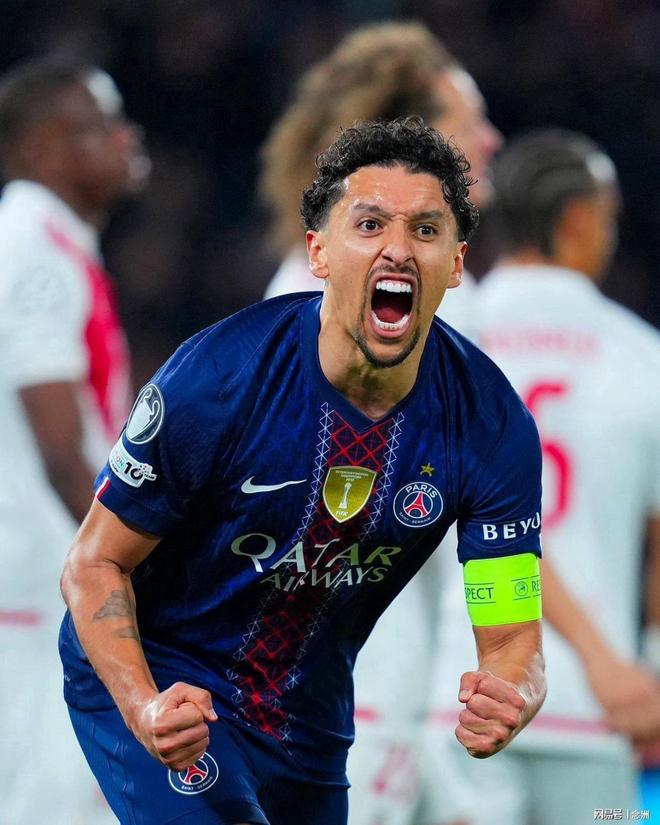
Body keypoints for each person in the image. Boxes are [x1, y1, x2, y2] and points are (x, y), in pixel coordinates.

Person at [60, 117, 546, 825]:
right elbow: (93, 562)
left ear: (456, 263)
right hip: (168, 676)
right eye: (370, 224)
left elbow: (510, 637)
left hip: (307, 719)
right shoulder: (220, 379)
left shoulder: (490, 422)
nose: (398, 249)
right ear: (318, 251)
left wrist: (511, 692)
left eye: (426, 230)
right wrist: (144, 704)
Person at [259, 23, 501, 823]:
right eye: (470, 121)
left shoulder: (325, 277)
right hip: (351, 672)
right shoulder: (380, 298)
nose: (491, 140)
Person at [421, 129, 660, 825]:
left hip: (459, 696)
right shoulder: (642, 356)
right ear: (579, 218)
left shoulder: (448, 337)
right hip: (596, 707)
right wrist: (643, 666)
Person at [0, 58, 148, 824]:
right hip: (28, 596)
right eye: (102, 124)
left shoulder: (51, 242)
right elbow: (61, 449)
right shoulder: (32, 246)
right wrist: (130, 557)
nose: (127, 137)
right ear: (45, 148)